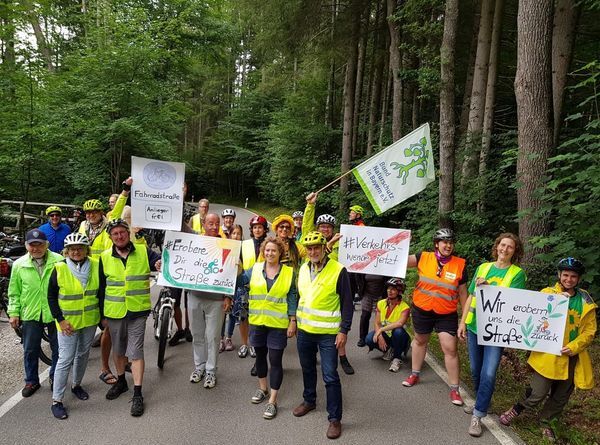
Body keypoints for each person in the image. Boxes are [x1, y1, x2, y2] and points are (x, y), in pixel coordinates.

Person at [499, 258, 597, 441]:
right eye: (565, 275)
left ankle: (546, 422)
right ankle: (517, 409)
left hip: (571, 356)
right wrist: (555, 301)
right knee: (537, 392)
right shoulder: (547, 293)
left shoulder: (585, 300)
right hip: (548, 355)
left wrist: (574, 346)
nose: (569, 279)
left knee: (560, 396)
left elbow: (590, 330)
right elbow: (535, 317)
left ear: (578, 278)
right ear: (559, 275)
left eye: (573, 276)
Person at [457, 233, 526, 437]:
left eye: (510, 247)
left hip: (497, 331)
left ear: (515, 251)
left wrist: (489, 287)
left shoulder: (517, 273)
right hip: (475, 325)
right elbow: (470, 296)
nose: (505, 249)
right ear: (496, 247)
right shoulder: (483, 267)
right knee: (475, 370)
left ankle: (478, 415)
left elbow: (514, 301)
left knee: (489, 372)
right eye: (502, 245)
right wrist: (462, 321)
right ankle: (481, 401)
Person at [98, 218, 162, 416]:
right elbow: (101, 288)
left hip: (137, 311)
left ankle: (137, 393)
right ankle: (121, 382)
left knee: (136, 351)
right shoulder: (104, 257)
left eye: (122, 232)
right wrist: (102, 316)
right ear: (110, 237)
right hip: (114, 312)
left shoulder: (143, 251)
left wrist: (159, 263)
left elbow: (158, 261)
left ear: (128, 233)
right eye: (115, 234)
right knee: (118, 350)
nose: (119, 236)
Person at [293, 232, 353, 440]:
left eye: (316, 247)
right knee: (308, 369)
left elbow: (347, 303)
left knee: (330, 376)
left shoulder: (338, 270)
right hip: (305, 332)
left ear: (323, 247)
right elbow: (300, 297)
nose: (312, 252)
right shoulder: (302, 268)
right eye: (309, 249)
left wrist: (344, 330)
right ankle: (309, 400)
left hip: (328, 334)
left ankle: (335, 419)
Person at [402, 228, 468, 407]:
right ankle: (415, 374)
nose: (448, 245)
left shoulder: (460, 264)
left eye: (450, 242)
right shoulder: (423, 257)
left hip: (446, 313)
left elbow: (463, 293)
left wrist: (464, 320)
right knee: (420, 340)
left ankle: (455, 389)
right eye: (444, 241)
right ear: (436, 244)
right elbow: (397, 261)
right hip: (422, 310)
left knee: (450, 348)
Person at [242, 237, 297, 419]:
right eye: (267, 250)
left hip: (277, 325)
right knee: (259, 357)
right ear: (263, 252)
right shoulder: (255, 269)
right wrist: (234, 269)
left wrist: (292, 320)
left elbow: (291, 297)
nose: (270, 253)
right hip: (257, 322)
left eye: (274, 250)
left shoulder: (289, 272)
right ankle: (262, 388)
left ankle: (273, 400)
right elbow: (240, 280)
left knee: (275, 360)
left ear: (280, 252)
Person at [47, 233, 100, 420]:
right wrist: (60, 320)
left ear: (86, 249)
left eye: (80, 248)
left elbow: (100, 293)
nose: (76, 251)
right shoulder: (59, 268)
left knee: (83, 354)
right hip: (67, 323)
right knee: (65, 359)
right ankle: (57, 400)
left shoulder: (95, 264)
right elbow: (51, 297)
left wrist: (102, 319)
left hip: (90, 320)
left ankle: (76, 385)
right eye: (72, 249)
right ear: (66, 251)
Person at [302, 192, 354, 375]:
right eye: (322, 227)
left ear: (332, 229)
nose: (325, 230)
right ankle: (321, 352)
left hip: (339, 283)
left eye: (328, 227)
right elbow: (307, 228)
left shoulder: (342, 242)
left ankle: (343, 356)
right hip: (316, 286)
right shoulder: (314, 243)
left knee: (340, 321)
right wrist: (310, 206)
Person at [7, 229, 61, 397]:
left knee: (58, 348)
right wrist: (14, 312)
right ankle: (31, 381)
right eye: (32, 245)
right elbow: (14, 292)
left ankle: (55, 377)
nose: (36, 248)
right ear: (26, 246)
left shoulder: (59, 261)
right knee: (30, 349)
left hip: (54, 311)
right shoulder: (19, 264)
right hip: (30, 311)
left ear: (46, 245)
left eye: (39, 245)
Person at [185, 213, 233, 389]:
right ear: (203, 224)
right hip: (195, 296)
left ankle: (211, 371)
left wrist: (228, 296)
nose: (214, 226)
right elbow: (179, 229)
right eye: (210, 223)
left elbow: (231, 273)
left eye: (217, 223)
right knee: (197, 334)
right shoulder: (194, 242)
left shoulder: (227, 246)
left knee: (212, 337)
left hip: (216, 300)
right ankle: (199, 367)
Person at [365, 278, 411, 372]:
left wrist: (380, 330)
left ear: (399, 292)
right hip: (387, 335)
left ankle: (397, 358)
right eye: (388, 288)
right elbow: (377, 323)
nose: (389, 291)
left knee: (398, 331)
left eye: (393, 289)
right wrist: (380, 335)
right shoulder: (381, 303)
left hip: (399, 337)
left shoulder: (405, 307)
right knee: (369, 339)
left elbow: (400, 323)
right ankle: (389, 350)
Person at [239, 215, 268, 360]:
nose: (257, 230)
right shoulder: (244, 244)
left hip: (263, 286)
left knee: (258, 317)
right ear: (251, 229)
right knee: (243, 317)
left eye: (260, 227)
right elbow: (239, 263)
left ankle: (254, 344)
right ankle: (244, 344)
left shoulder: (269, 244)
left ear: (264, 229)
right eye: (255, 227)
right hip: (245, 285)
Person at [220, 225, 247, 352]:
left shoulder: (244, 250)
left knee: (233, 312)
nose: (236, 236)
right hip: (224, 283)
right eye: (234, 233)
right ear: (230, 235)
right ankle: (220, 338)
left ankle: (228, 337)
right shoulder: (224, 247)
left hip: (237, 284)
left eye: (239, 234)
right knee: (222, 311)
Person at [356, 274, 387, 347]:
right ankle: (362, 338)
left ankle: (381, 336)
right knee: (365, 315)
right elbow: (358, 276)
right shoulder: (366, 266)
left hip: (381, 294)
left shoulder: (385, 266)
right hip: (367, 294)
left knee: (380, 318)